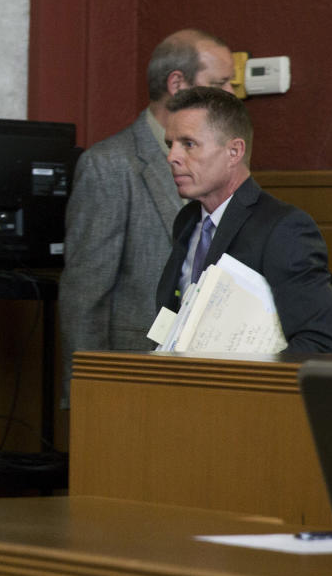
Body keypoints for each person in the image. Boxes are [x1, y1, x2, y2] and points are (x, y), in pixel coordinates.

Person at [59, 29, 235, 404]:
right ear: (177, 83)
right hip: (132, 379)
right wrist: (87, 395)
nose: (232, 96)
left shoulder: (225, 161)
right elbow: (85, 295)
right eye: (220, 83)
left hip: (217, 376)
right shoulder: (110, 164)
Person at [156, 86, 332, 352]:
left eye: (188, 144)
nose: (172, 157)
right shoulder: (186, 220)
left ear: (234, 152)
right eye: (170, 145)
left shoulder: (284, 228)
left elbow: (319, 341)